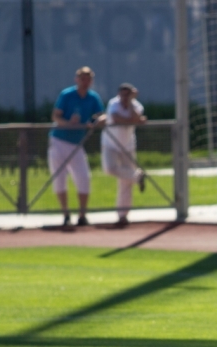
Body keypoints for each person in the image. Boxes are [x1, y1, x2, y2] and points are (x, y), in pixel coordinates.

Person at [49, 66, 105, 227]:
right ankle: (66, 214)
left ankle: (82, 214)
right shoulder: (67, 95)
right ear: (77, 79)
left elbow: (100, 114)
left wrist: (98, 121)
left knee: (83, 178)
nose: (85, 82)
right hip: (59, 141)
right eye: (83, 78)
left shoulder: (93, 97)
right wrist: (69, 124)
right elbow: (56, 116)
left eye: (88, 79)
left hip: (77, 143)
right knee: (59, 179)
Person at [102, 82, 148, 227]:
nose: (125, 96)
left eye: (128, 93)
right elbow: (116, 118)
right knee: (109, 168)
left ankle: (123, 215)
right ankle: (137, 175)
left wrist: (131, 104)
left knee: (125, 182)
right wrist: (135, 121)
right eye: (123, 93)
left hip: (128, 146)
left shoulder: (136, 105)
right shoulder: (113, 103)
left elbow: (136, 116)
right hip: (111, 144)